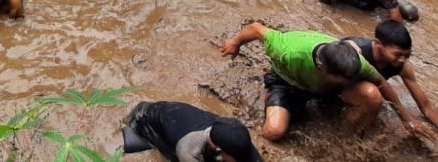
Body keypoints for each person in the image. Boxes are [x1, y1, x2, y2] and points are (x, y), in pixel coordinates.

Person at [219, 22, 385, 142]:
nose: (351, 80)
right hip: (287, 83)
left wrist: (406, 118)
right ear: (321, 66)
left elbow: (381, 83)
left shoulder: (354, 63)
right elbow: (256, 29)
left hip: (327, 88)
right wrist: (235, 43)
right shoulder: (287, 50)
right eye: (343, 78)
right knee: (273, 132)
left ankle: (349, 139)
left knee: (372, 96)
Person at [346, 21, 438, 139]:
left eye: (407, 55)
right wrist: (407, 119)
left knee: (374, 96)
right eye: (398, 54)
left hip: (363, 89)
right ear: (378, 44)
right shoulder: (358, 52)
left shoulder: (402, 66)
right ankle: (351, 136)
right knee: (373, 95)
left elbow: (425, 106)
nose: (402, 60)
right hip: (343, 85)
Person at [121, 101, 261, 162]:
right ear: (217, 149)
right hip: (143, 120)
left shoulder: (233, 135)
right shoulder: (189, 152)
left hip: (174, 114)